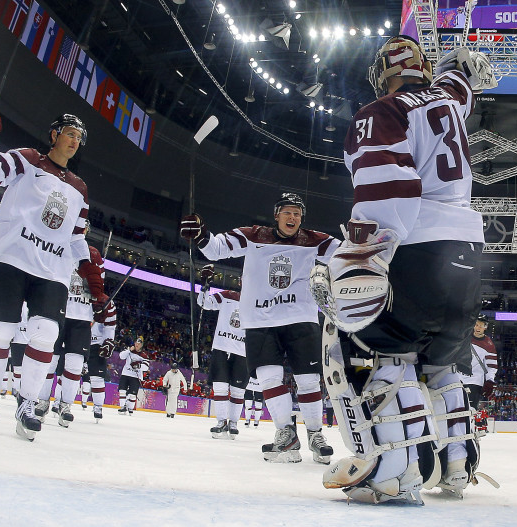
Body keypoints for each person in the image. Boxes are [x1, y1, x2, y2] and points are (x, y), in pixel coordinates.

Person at [310, 36, 497, 503]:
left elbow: (387, 189)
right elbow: (459, 84)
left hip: (417, 248)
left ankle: (397, 470)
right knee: (442, 363)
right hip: (468, 254)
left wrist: (363, 255)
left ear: (383, 72)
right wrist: (459, 68)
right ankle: (458, 467)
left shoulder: (381, 110)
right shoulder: (448, 99)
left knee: (390, 354)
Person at [0, 112, 107, 440]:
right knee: (1, 331)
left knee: (45, 334)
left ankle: (28, 403)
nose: (75, 141)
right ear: (54, 134)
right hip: (13, 259)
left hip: (53, 271)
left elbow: (75, 240)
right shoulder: (28, 160)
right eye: (70, 133)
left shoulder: (80, 189)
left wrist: (93, 275)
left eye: (80, 138)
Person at [181, 192, 336, 464]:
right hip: (260, 321)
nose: (293, 217)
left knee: (309, 380)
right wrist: (201, 233)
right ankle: (285, 434)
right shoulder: (253, 235)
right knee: (269, 379)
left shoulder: (315, 240)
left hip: (301, 317)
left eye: (297, 213)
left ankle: (315, 433)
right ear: (276, 215)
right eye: (288, 212)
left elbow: (347, 254)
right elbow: (216, 248)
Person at [43, 242, 106, 428]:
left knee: (75, 364)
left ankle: (65, 405)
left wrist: (99, 301)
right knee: (49, 360)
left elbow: (98, 288)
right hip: (57, 310)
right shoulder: (60, 242)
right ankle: (41, 401)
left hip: (81, 317)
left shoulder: (94, 254)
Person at [196, 268, 248, 439]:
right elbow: (204, 303)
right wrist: (205, 286)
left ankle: (233, 423)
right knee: (220, 387)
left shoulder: (258, 301)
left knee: (238, 390)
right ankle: (221, 422)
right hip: (221, 347)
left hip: (243, 351)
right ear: (240, 281)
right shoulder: (227, 295)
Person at [460, 314, 498, 410]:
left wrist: (490, 381)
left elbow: (491, 366)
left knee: (470, 411)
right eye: (476, 325)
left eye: (481, 326)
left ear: (485, 327)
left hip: (474, 382)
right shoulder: (464, 337)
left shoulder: (489, 345)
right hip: (457, 379)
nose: (478, 328)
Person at [88, 302, 117, 422]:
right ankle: (60, 402)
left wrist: (108, 341)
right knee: (67, 372)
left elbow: (110, 327)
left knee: (97, 378)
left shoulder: (106, 303)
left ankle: (98, 407)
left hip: (96, 346)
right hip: (78, 340)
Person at [118, 336, 149, 415]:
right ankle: (122, 407)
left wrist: (138, 366)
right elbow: (121, 356)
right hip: (125, 373)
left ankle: (130, 407)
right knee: (122, 390)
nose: (137, 345)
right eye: (136, 343)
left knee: (132, 394)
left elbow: (146, 366)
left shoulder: (144, 355)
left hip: (135, 376)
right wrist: (128, 350)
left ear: (141, 345)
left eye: (139, 344)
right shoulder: (129, 351)